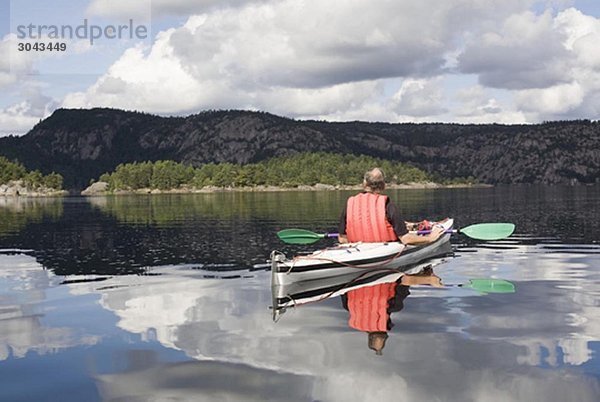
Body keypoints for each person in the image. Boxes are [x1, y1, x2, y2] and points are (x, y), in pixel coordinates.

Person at [341, 266, 443, 355]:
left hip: (387, 271)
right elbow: (343, 290)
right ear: (368, 335)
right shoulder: (347, 307)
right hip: (358, 274)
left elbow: (405, 282)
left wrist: (428, 280)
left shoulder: (394, 306)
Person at [338, 168, 445, 245]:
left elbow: (342, 239)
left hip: (357, 251)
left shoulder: (350, 203)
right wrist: (430, 238)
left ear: (365, 184)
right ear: (383, 186)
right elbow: (406, 239)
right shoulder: (388, 204)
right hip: (384, 249)